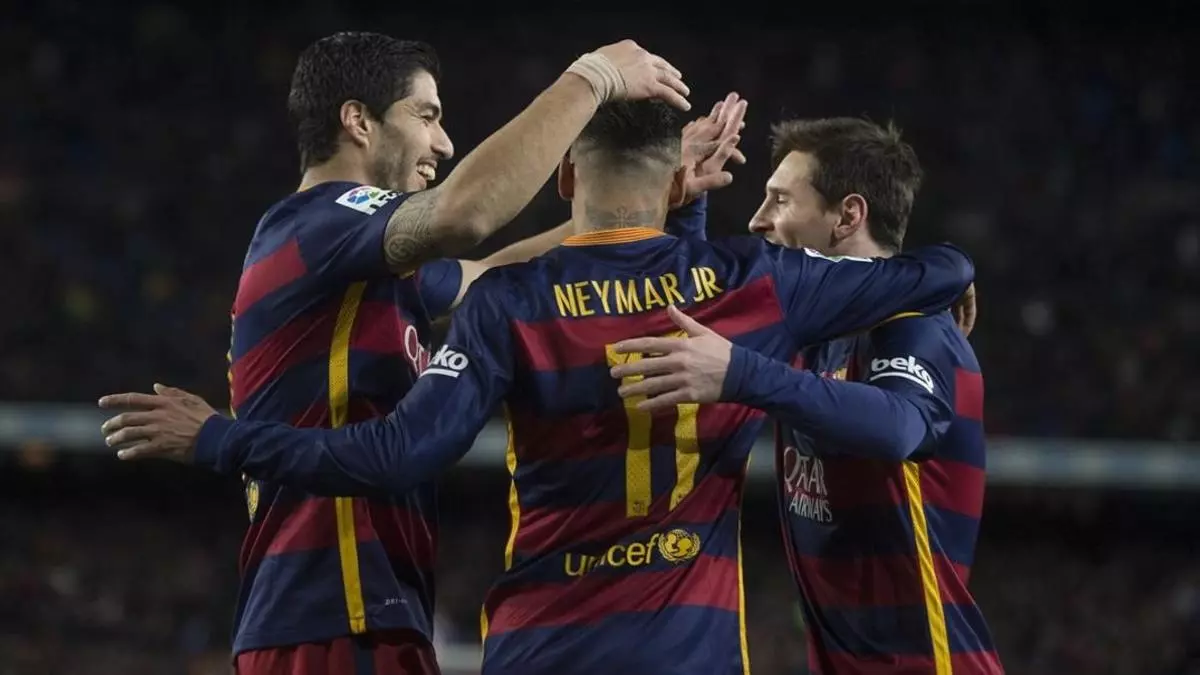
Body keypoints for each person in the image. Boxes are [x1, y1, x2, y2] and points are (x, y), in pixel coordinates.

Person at [99, 101, 974, 675]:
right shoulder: (754, 284)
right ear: (676, 181)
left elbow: (395, 453)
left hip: (542, 645)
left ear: (564, 179)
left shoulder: (508, 302)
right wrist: (944, 289)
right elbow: (940, 266)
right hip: (687, 649)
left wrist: (221, 437)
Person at [171, 30, 692, 675]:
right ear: (358, 121)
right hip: (331, 616)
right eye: (426, 116)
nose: (444, 143)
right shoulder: (318, 223)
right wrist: (591, 78)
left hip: (362, 615)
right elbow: (462, 215)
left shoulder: (359, 261)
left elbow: (491, 277)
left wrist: (639, 203)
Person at [609, 117, 1003, 674]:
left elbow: (901, 427)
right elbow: (693, 319)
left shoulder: (913, 327)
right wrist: (685, 206)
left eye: (780, 200)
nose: (757, 220)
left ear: (848, 216)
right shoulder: (813, 333)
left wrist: (745, 373)